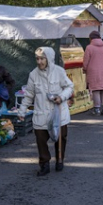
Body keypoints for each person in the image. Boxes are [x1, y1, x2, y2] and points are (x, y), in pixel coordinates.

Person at [18, 47, 74, 176]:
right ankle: (44, 164)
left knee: (61, 137)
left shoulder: (59, 71)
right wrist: (22, 111)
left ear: (48, 59)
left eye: (42, 58)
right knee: (41, 139)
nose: (39, 62)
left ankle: (60, 159)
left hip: (59, 112)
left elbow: (69, 86)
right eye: (37, 59)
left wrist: (62, 97)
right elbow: (29, 94)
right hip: (41, 113)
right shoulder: (33, 74)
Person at [83, 31, 103, 116]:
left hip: (93, 71)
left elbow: (86, 61)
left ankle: (97, 109)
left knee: (95, 90)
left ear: (91, 38)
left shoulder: (89, 47)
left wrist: (84, 69)